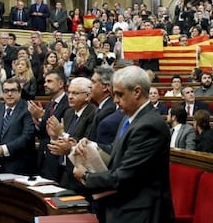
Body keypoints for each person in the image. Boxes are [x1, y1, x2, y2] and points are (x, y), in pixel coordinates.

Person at [72, 66, 175, 223]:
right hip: (124, 206)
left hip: (140, 213)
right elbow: (116, 149)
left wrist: (86, 176)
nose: (115, 100)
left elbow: (124, 176)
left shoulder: (149, 125)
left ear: (137, 92)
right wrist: (91, 146)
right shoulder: (130, 117)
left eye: (119, 94)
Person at [46, 77, 95, 190]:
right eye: (69, 92)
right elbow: (62, 143)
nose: (70, 96)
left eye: (75, 93)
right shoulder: (68, 113)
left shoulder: (93, 114)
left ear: (87, 96)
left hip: (81, 174)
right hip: (65, 172)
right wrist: (54, 136)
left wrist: (61, 133)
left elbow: (84, 144)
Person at [0, 78, 36, 174]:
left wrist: (5, 149)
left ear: (19, 92)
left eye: (13, 90)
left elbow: (27, 136)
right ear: (2, 93)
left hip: (19, 165)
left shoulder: (27, 109)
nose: (9, 94)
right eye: (6, 91)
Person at [28, 70, 69, 182]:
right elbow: (43, 133)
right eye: (45, 81)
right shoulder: (50, 104)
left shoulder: (68, 104)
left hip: (58, 161)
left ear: (60, 84)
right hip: (44, 158)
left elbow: (59, 131)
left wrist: (41, 117)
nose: (45, 84)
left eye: (49, 81)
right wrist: (37, 121)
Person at [88, 68, 116, 142]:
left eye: (93, 82)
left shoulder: (109, 110)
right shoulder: (102, 106)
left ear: (105, 87)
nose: (90, 86)